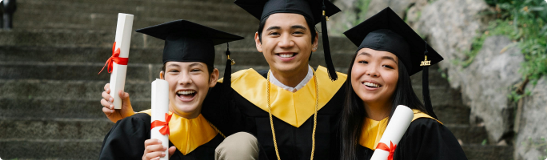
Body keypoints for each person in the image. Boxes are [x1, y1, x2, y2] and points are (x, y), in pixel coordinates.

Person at [101, 0, 347, 159]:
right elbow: (183, 110)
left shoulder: (344, 90)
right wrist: (131, 122)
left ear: (315, 41)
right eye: (274, 33)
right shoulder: (234, 92)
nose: (285, 42)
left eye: (297, 32)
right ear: (259, 42)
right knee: (240, 144)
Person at [98, 19, 248, 160]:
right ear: (162, 78)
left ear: (213, 77)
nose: (185, 80)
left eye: (195, 70)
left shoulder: (223, 138)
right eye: (174, 71)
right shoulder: (136, 129)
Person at [339, 7, 467, 160]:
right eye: (363, 61)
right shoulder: (343, 124)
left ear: (402, 78)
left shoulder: (424, 131)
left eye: (387, 65)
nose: (372, 71)